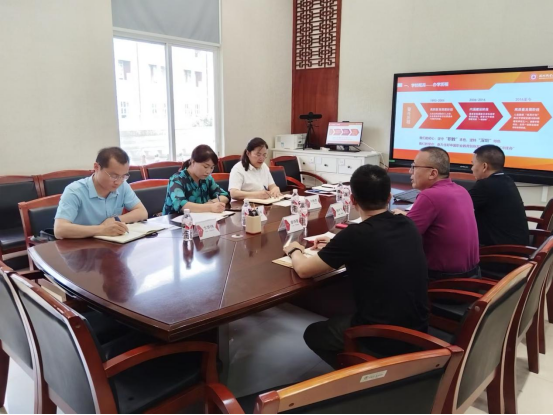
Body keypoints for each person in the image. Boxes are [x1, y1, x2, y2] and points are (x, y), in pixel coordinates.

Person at [283, 165, 429, 369]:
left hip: (384, 337)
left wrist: (294, 250)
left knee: (314, 333)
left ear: (352, 200)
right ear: (389, 197)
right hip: (418, 329)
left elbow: (304, 270)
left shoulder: (355, 235)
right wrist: (336, 246)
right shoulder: (407, 224)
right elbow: (375, 247)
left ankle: (360, 373)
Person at [393, 147, 480, 281]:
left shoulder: (429, 196)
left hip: (445, 282)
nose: (410, 171)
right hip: (473, 276)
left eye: (414, 167)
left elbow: (402, 238)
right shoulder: (462, 190)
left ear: (433, 173)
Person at [54, 147, 148, 239]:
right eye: (114, 176)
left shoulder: (123, 186)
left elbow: (142, 212)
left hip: (113, 243)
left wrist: (115, 220)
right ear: (96, 167)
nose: (118, 182)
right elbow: (59, 230)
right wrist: (102, 229)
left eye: (123, 176)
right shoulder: (74, 191)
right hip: (82, 245)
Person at [470, 145, 529, 247]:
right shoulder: (507, 180)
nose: (472, 169)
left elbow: (458, 207)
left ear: (484, 166)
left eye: (473, 164)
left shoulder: (485, 185)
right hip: (517, 245)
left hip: (501, 251)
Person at [162, 145, 229, 215]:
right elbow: (181, 205)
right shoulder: (177, 179)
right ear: (193, 162)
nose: (208, 171)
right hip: (176, 220)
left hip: (201, 218)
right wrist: (210, 207)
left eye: (212, 168)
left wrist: (210, 203)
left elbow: (225, 196)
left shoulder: (207, 179)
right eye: (205, 167)